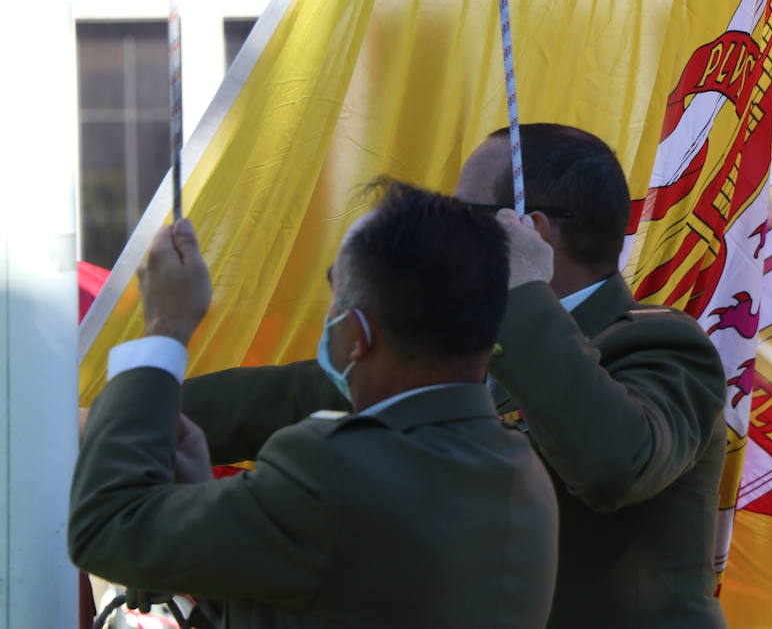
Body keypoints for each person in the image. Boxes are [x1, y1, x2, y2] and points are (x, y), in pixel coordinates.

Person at [182, 124, 729, 627]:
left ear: (529, 232)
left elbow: (615, 463)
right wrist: (129, 410)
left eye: (465, 216)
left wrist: (521, 293)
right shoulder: (476, 338)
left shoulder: (663, 344)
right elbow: (301, 394)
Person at [70, 180, 559, 629]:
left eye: (334, 305)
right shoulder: (521, 469)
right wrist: (201, 496)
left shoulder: (333, 468)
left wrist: (164, 329)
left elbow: (106, 526)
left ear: (358, 336)